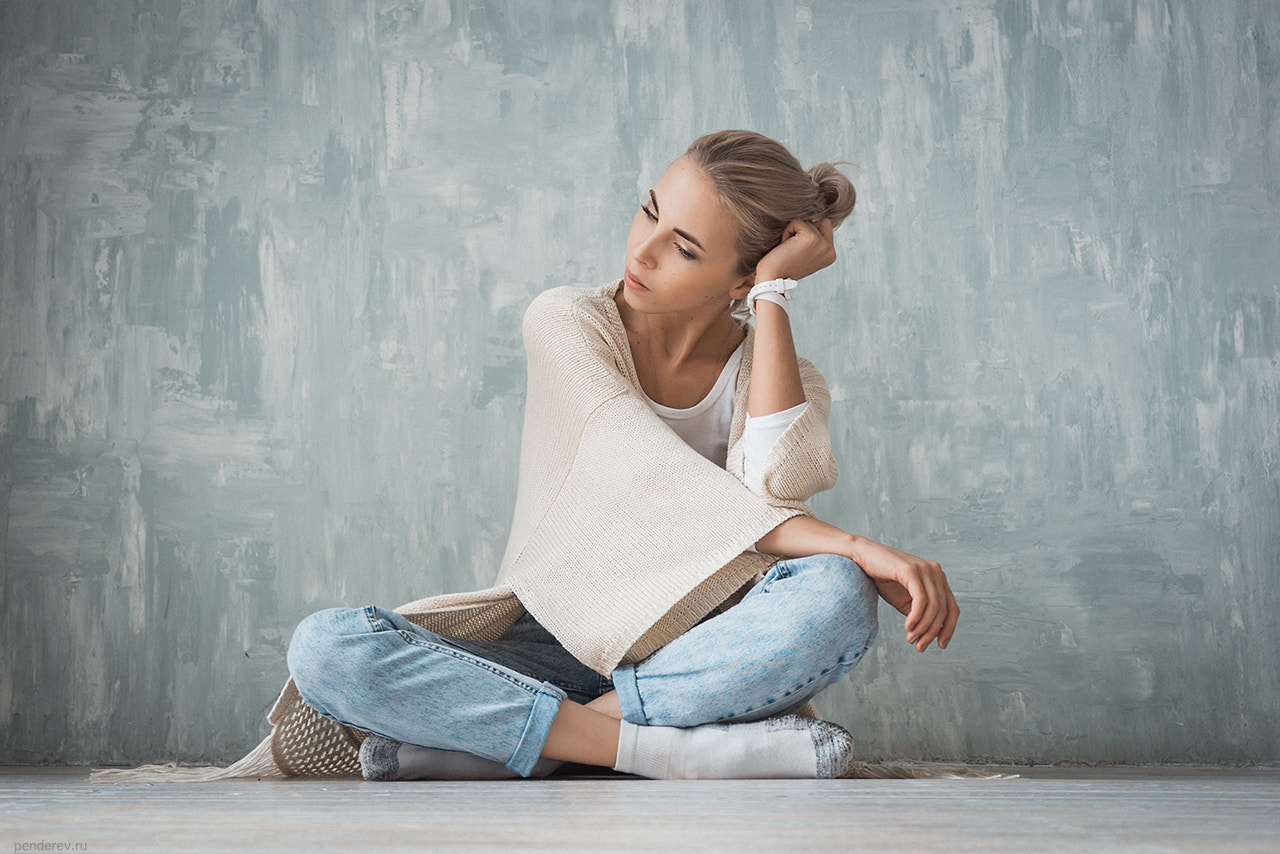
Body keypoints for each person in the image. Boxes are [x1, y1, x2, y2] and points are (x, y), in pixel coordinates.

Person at [282, 130, 959, 782]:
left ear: (740, 277)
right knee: (328, 649)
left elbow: (774, 489)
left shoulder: (788, 375)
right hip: (555, 642)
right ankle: (660, 753)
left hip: (696, 657)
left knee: (839, 591)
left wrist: (774, 294)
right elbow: (642, 473)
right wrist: (856, 543)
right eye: (649, 213)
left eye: (684, 249)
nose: (643, 252)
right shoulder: (567, 321)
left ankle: (531, 746)